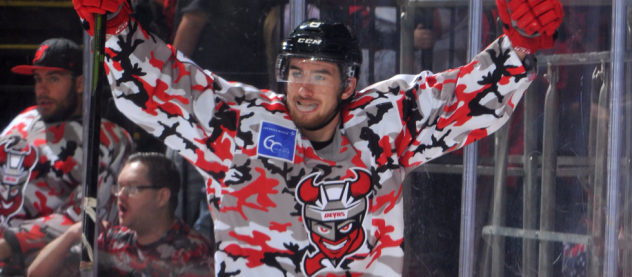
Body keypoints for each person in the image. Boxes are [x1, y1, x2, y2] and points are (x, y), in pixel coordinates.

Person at [72, 0, 563, 275]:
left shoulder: (384, 122)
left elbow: (464, 99)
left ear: (348, 83)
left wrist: (520, 43)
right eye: (295, 72)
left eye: (320, 75)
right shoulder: (239, 124)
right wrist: (117, 26)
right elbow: (165, 88)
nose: (303, 87)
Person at [0, 38, 132, 274]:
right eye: (37, 79)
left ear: (80, 83)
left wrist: (8, 244)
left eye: (53, 79)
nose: (42, 89)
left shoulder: (108, 137)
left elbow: (88, 216)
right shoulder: (23, 120)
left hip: (49, 261)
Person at [27, 152, 214, 276]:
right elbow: (37, 274)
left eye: (132, 188)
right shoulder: (112, 240)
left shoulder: (193, 251)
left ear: (161, 196)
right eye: (119, 187)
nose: (120, 195)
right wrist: (72, 234)